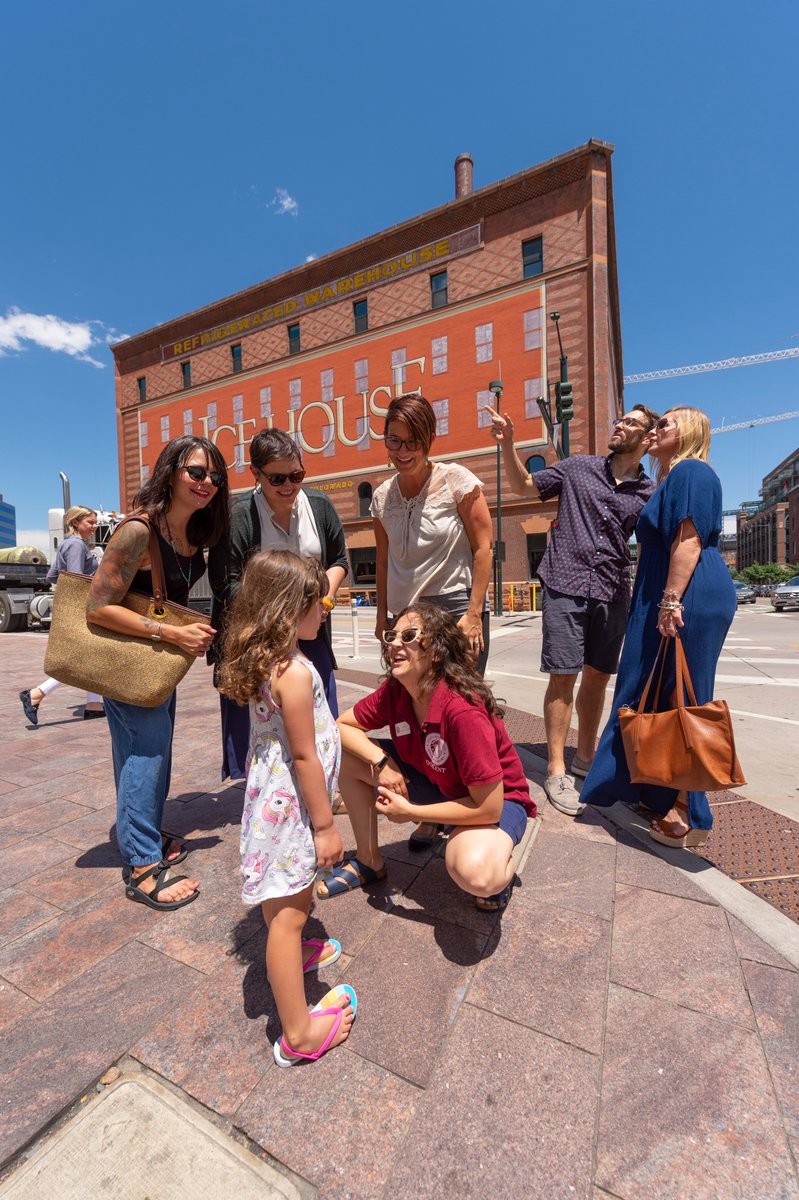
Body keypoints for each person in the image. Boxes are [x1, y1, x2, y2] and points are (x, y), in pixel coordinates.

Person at [218, 548, 357, 1066]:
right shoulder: (295, 673)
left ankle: (290, 956)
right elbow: (303, 755)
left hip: (269, 807)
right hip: (293, 811)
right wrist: (325, 825)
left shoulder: (266, 662)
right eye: (315, 600)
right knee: (290, 915)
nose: (325, 607)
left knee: (281, 902)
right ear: (284, 608)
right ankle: (298, 1034)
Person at [488, 403, 659, 817]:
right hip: (564, 583)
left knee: (598, 680)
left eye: (631, 423)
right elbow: (525, 484)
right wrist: (509, 444)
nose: (620, 425)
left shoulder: (649, 492)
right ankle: (556, 769)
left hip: (612, 591)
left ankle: (585, 757)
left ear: (648, 437)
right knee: (563, 677)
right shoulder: (579, 467)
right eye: (621, 420)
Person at [580, 407, 737, 846]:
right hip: (671, 594)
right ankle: (657, 789)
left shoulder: (691, 471)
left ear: (686, 432)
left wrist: (670, 600)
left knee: (685, 697)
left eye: (665, 424)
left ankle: (688, 810)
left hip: (688, 595)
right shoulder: (672, 478)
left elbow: (688, 538)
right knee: (657, 690)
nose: (656, 430)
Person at [87, 435, 230, 909]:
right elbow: (97, 608)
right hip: (131, 660)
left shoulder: (192, 535)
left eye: (214, 475)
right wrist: (171, 635)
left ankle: (143, 831)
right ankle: (144, 865)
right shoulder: (138, 531)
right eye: (195, 472)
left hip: (154, 666)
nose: (206, 482)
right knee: (143, 755)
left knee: (153, 751)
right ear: (169, 472)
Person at [319, 602, 536, 913]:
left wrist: (411, 811)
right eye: (391, 635)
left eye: (408, 635)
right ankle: (369, 861)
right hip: (438, 782)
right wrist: (382, 763)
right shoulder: (397, 690)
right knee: (348, 754)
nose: (393, 643)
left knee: (478, 874)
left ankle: (501, 864)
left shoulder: (463, 710)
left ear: (436, 652)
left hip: (496, 803)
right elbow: (341, 726)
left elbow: (488, 807)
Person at [208, 428, 348, 781]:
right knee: (262, 724)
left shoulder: (319, 505)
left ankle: (324, 787)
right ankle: (268, 793)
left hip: (312, 631)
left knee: (318, 713)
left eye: (296, 475)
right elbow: (226, 582)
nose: (289, 486)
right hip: (258, 638)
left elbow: (340, 560)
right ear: (256, 474)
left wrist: (324, 598)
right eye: (277, 478)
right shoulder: (239, 515)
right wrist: (284, 612)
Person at [373, 393, 493, 672]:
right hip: (403, 618)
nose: (403, 451)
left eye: (412, 441)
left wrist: (474, 613)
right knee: (416, 704)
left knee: (463, 703)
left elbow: (483, 548)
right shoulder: (381, 498)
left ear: (429, 439)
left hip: (455, 613)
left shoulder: (456, 481)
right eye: (394, 440)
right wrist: (382, 616)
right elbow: (382, 561)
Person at [19, 506, 105, 724]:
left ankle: (94, 704)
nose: (95, 527)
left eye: (95, 522)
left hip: (74, 606)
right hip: (84, 607)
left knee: (89, 655)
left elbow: (53, 575)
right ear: (75, 522)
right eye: (90, 523)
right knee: (79, 657)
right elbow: (77, 580)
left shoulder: (68, 544)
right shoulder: (77, 545)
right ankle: (36, 693)